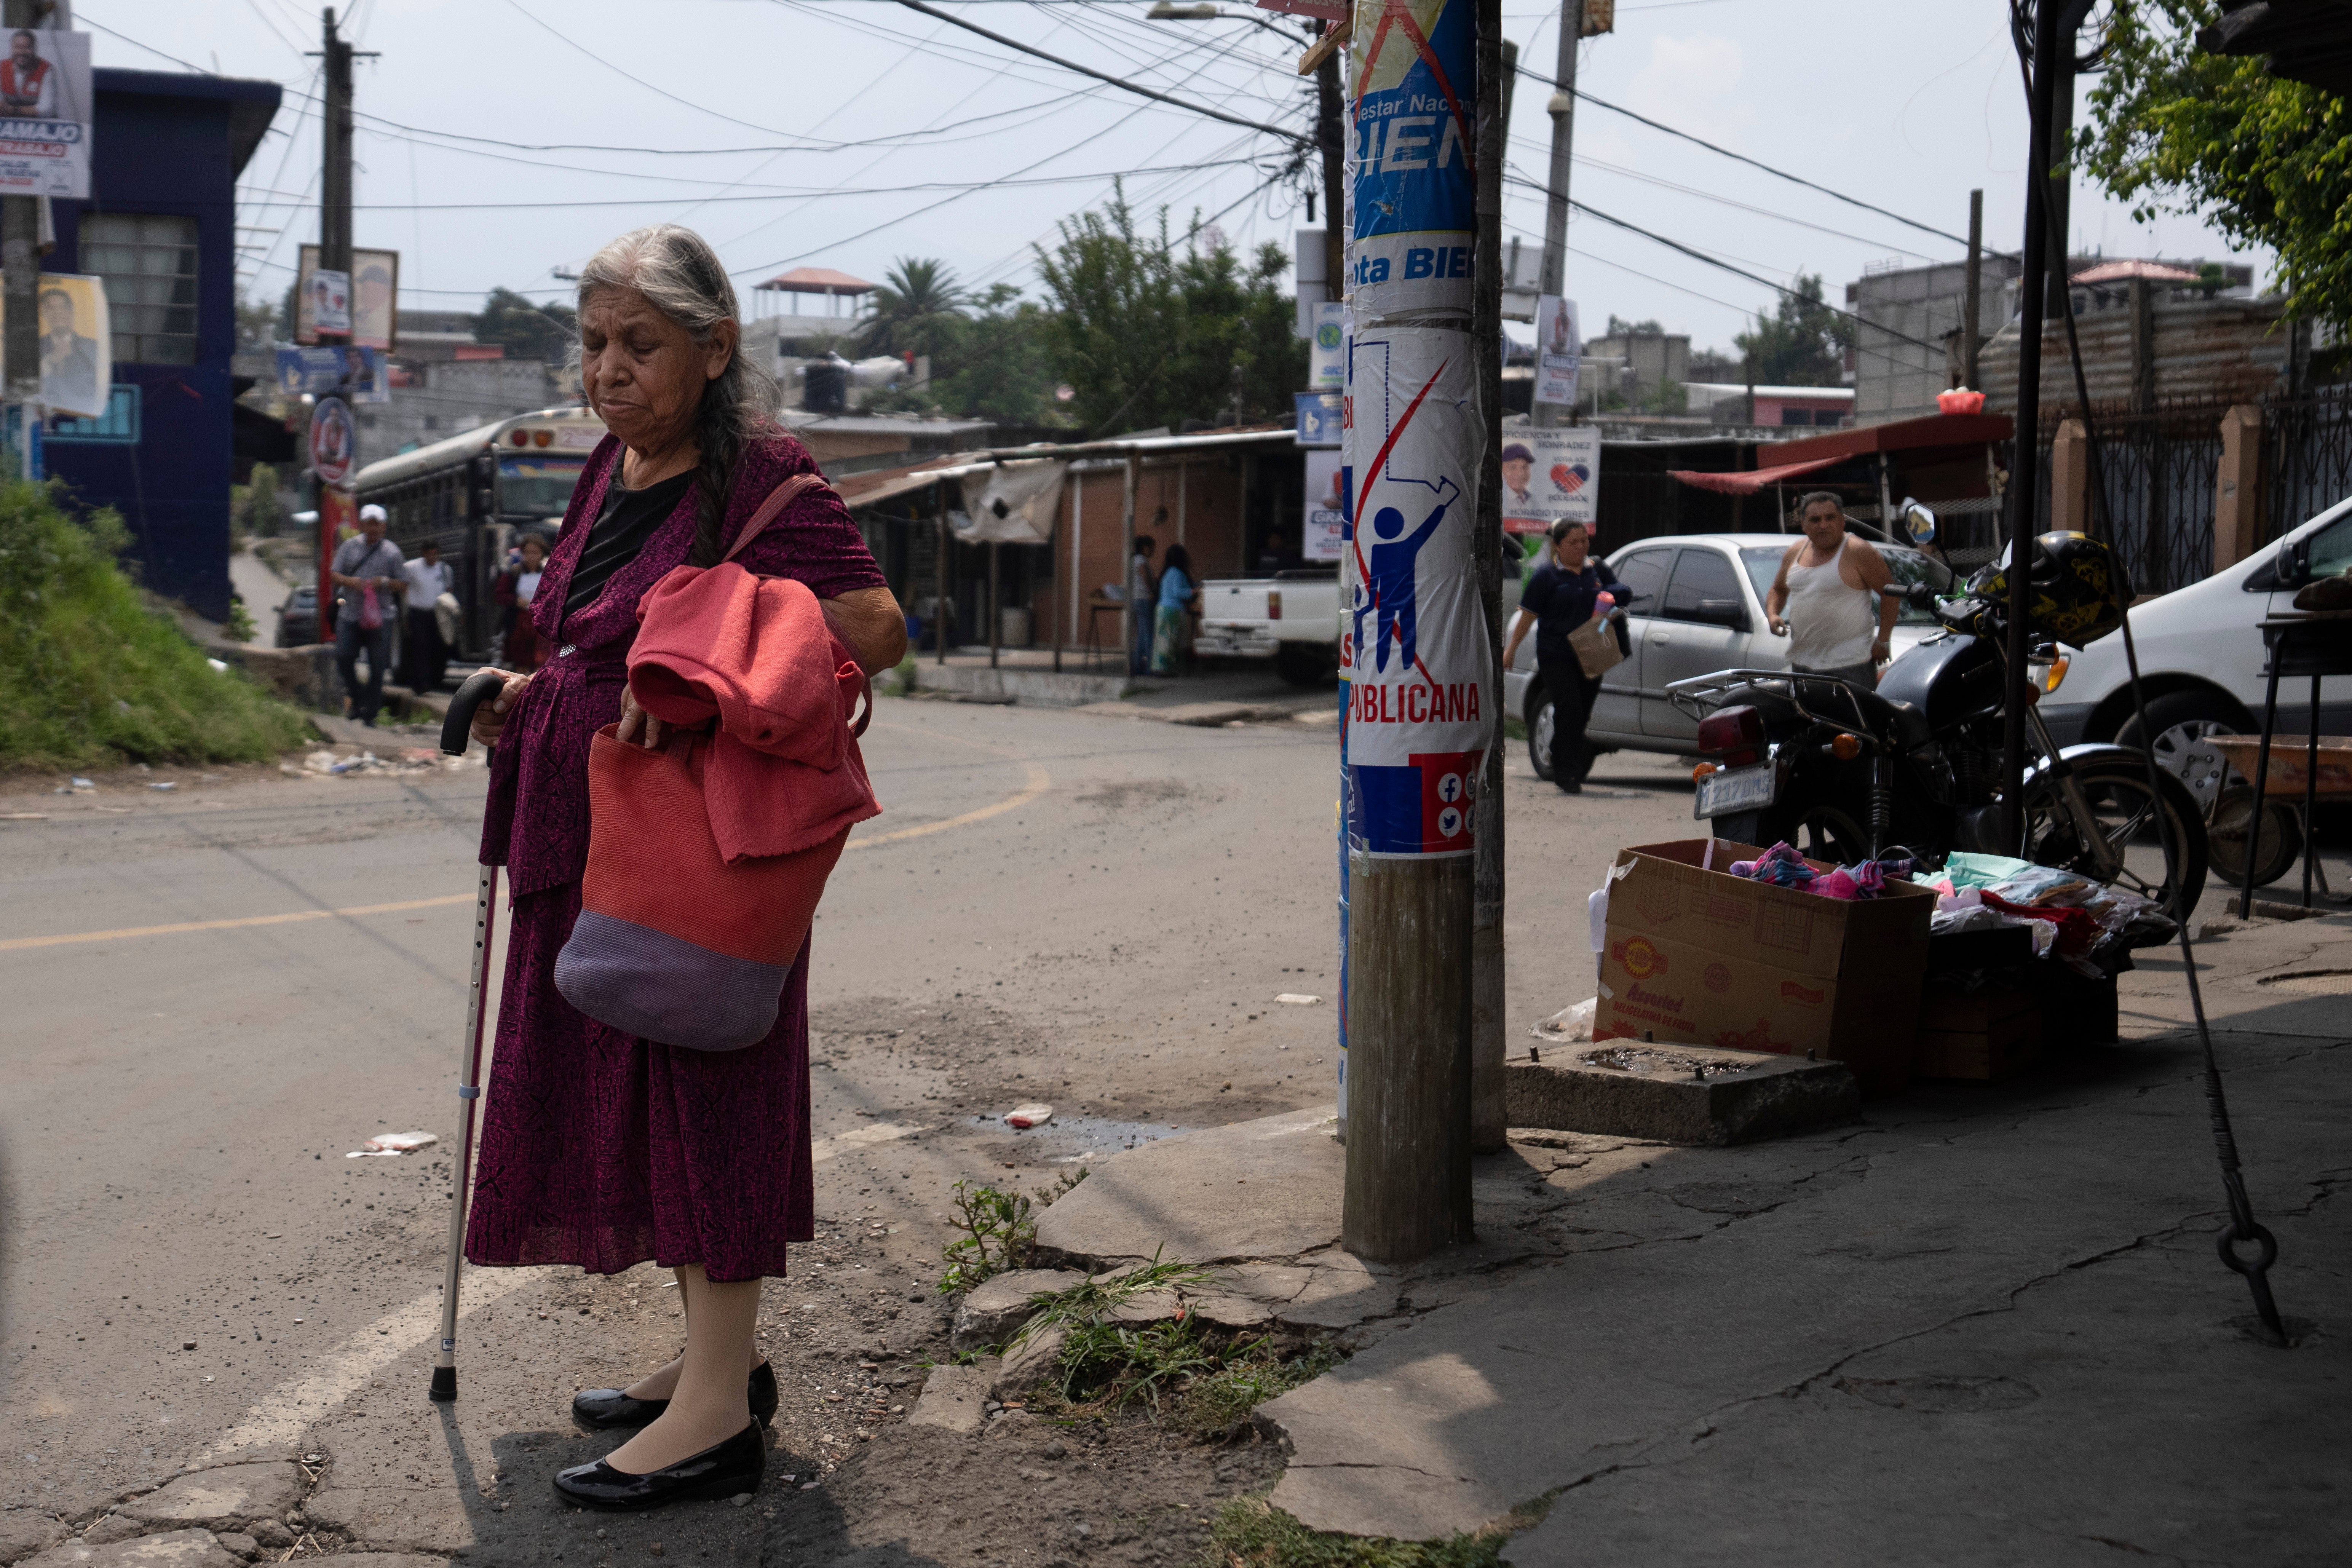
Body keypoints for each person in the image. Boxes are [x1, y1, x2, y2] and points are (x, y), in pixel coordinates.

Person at [464, 224, 904, 1512]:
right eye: (594, 343)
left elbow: (870, 628)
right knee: (632, 1089)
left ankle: (716, 1414)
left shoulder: (769, 480)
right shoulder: (615, 468)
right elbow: (595, 642)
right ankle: (716, 1362)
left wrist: (713, 679)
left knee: (701, 1085)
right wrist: (527, 691)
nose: (607, 369)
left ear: (714, 350)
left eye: (638, 345)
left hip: (692, 844)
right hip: (581, 823)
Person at [1503, 518, 1628, 793]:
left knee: (1582, 713)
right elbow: (1527, 616)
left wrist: (1611, 595)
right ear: (1557, 546)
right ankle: (1565, 772)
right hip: (1556, 653)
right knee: (1568, 707)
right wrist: (1510, 650)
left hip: (1592, 651)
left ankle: (1569, 763)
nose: (1581, 547)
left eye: (1584, 541)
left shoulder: (1596, 570)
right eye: (1573, 542)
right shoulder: (1546, 576)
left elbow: (1620, 592)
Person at [1764, 491, 1895, 687]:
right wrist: (1773, 614)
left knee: (1853, 718)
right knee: (1807, 718)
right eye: (1815, 520)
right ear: (1803, 524)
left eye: (1830, 518)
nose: (1824, 525)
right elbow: (1778, 590)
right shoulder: (1795, 551)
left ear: (1842, 521)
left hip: (1851, 666)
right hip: (1803, 665)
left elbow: (1890, 594)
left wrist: (1883, 640)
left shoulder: (1858, 550)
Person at [329, 503, 404, 726]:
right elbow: (334, 574)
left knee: (378, 666)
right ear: (362, 525)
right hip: (351, 612)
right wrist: (352, 582)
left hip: (381, 617)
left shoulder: (392, 552)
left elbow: (403, 584)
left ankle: (370, 714)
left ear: (384, 526)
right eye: (369, 523)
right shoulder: (349, 547)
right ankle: (357, 696)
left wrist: (385, 582)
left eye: (377, 524)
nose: (373, 528)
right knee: (343, 656)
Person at [37, 286, 99, 417]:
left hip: (80, 415)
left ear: (71, 312)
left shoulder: (92, 347)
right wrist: (52, 359)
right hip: (43, 416)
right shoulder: (34, 347)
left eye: (63, 307)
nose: (57, 313)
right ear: (43, 313)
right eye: (51, 308)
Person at [400, 541, 453, 693]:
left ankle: (435, 679)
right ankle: (420, 683)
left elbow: (449, 590)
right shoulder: (411, 567)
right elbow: (403, 586)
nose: (433, 557)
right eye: (430, 553)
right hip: (417, 613)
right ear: (423, 554)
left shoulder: (444, 569)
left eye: (435, 553)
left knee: (437, 648)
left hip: (437, 614)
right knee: (420, 647)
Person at [496, 534, 552, 671]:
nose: (531, 556)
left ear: (542, 554)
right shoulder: (514, 573)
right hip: (519, 624)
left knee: (541, 663)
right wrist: (516, 600)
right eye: (528, 552)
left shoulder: (549, 573)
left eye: (535, 552)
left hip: (542, 624)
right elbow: (499, 595)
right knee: (520, 663)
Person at [1153, 542, 1197, 675]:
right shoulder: (1177, 573)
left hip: (1162, 608)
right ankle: (1168, 668)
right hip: (1173, 610)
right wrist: (1194, 592)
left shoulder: (1167, 573)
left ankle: (1159, 667)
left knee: (1162, 640)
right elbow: (1178, 592)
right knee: (1172, 640)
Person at [0, 30, 54, 118]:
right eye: (17, 47)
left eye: (27, 47)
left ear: (35, 49)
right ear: (11, 49)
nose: (22, 52)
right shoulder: (2, 67)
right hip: (9, 123)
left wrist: (13, 110)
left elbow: (47, 110)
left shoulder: (47, 70)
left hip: (40, 125)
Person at [1127, 533, 1158, 675]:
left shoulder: (1133, 559)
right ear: (1145, 548)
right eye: (1152, 548)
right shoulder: (1141, 560)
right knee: (1148, 634)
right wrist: (1152, 593)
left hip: (1135, 599)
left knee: (1141, 634)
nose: (1154, 551)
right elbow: (1145, 576)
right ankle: (1150, 667)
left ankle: (1138, 665)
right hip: (1144, 599)